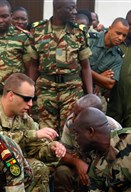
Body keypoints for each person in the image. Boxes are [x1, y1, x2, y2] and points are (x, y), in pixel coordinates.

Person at [53, 94, 122, 192]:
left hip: (107, 175)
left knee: (114, 183)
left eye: (78, 114)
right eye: (74, 112)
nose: (72, 117)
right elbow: (63, 153)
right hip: (84, 174)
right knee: (61, 172)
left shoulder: (114, 130)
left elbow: (120, 170)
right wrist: (77, 162)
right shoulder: (71, 123)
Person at [28, 0, 93, 135]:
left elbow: (86, 67)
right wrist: (28, 93)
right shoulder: (37, 30)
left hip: (71, 90)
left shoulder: (78, 32)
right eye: (71, 8)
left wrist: (90, 96)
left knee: (69, 131)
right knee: (46, 133)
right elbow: (33, 64)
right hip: (45, 89)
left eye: (75, 8)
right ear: (58, 8)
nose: (75, 12)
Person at [89, 17, 128, 109]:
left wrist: (86, 71)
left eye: (124, 35)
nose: (120, 38)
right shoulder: (90, 40)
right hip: (73, 90)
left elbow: (110, 84)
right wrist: (100, 77)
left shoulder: (118, 56)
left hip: (93, 95)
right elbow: (75, 67)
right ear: (110, 28)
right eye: (118, 33)